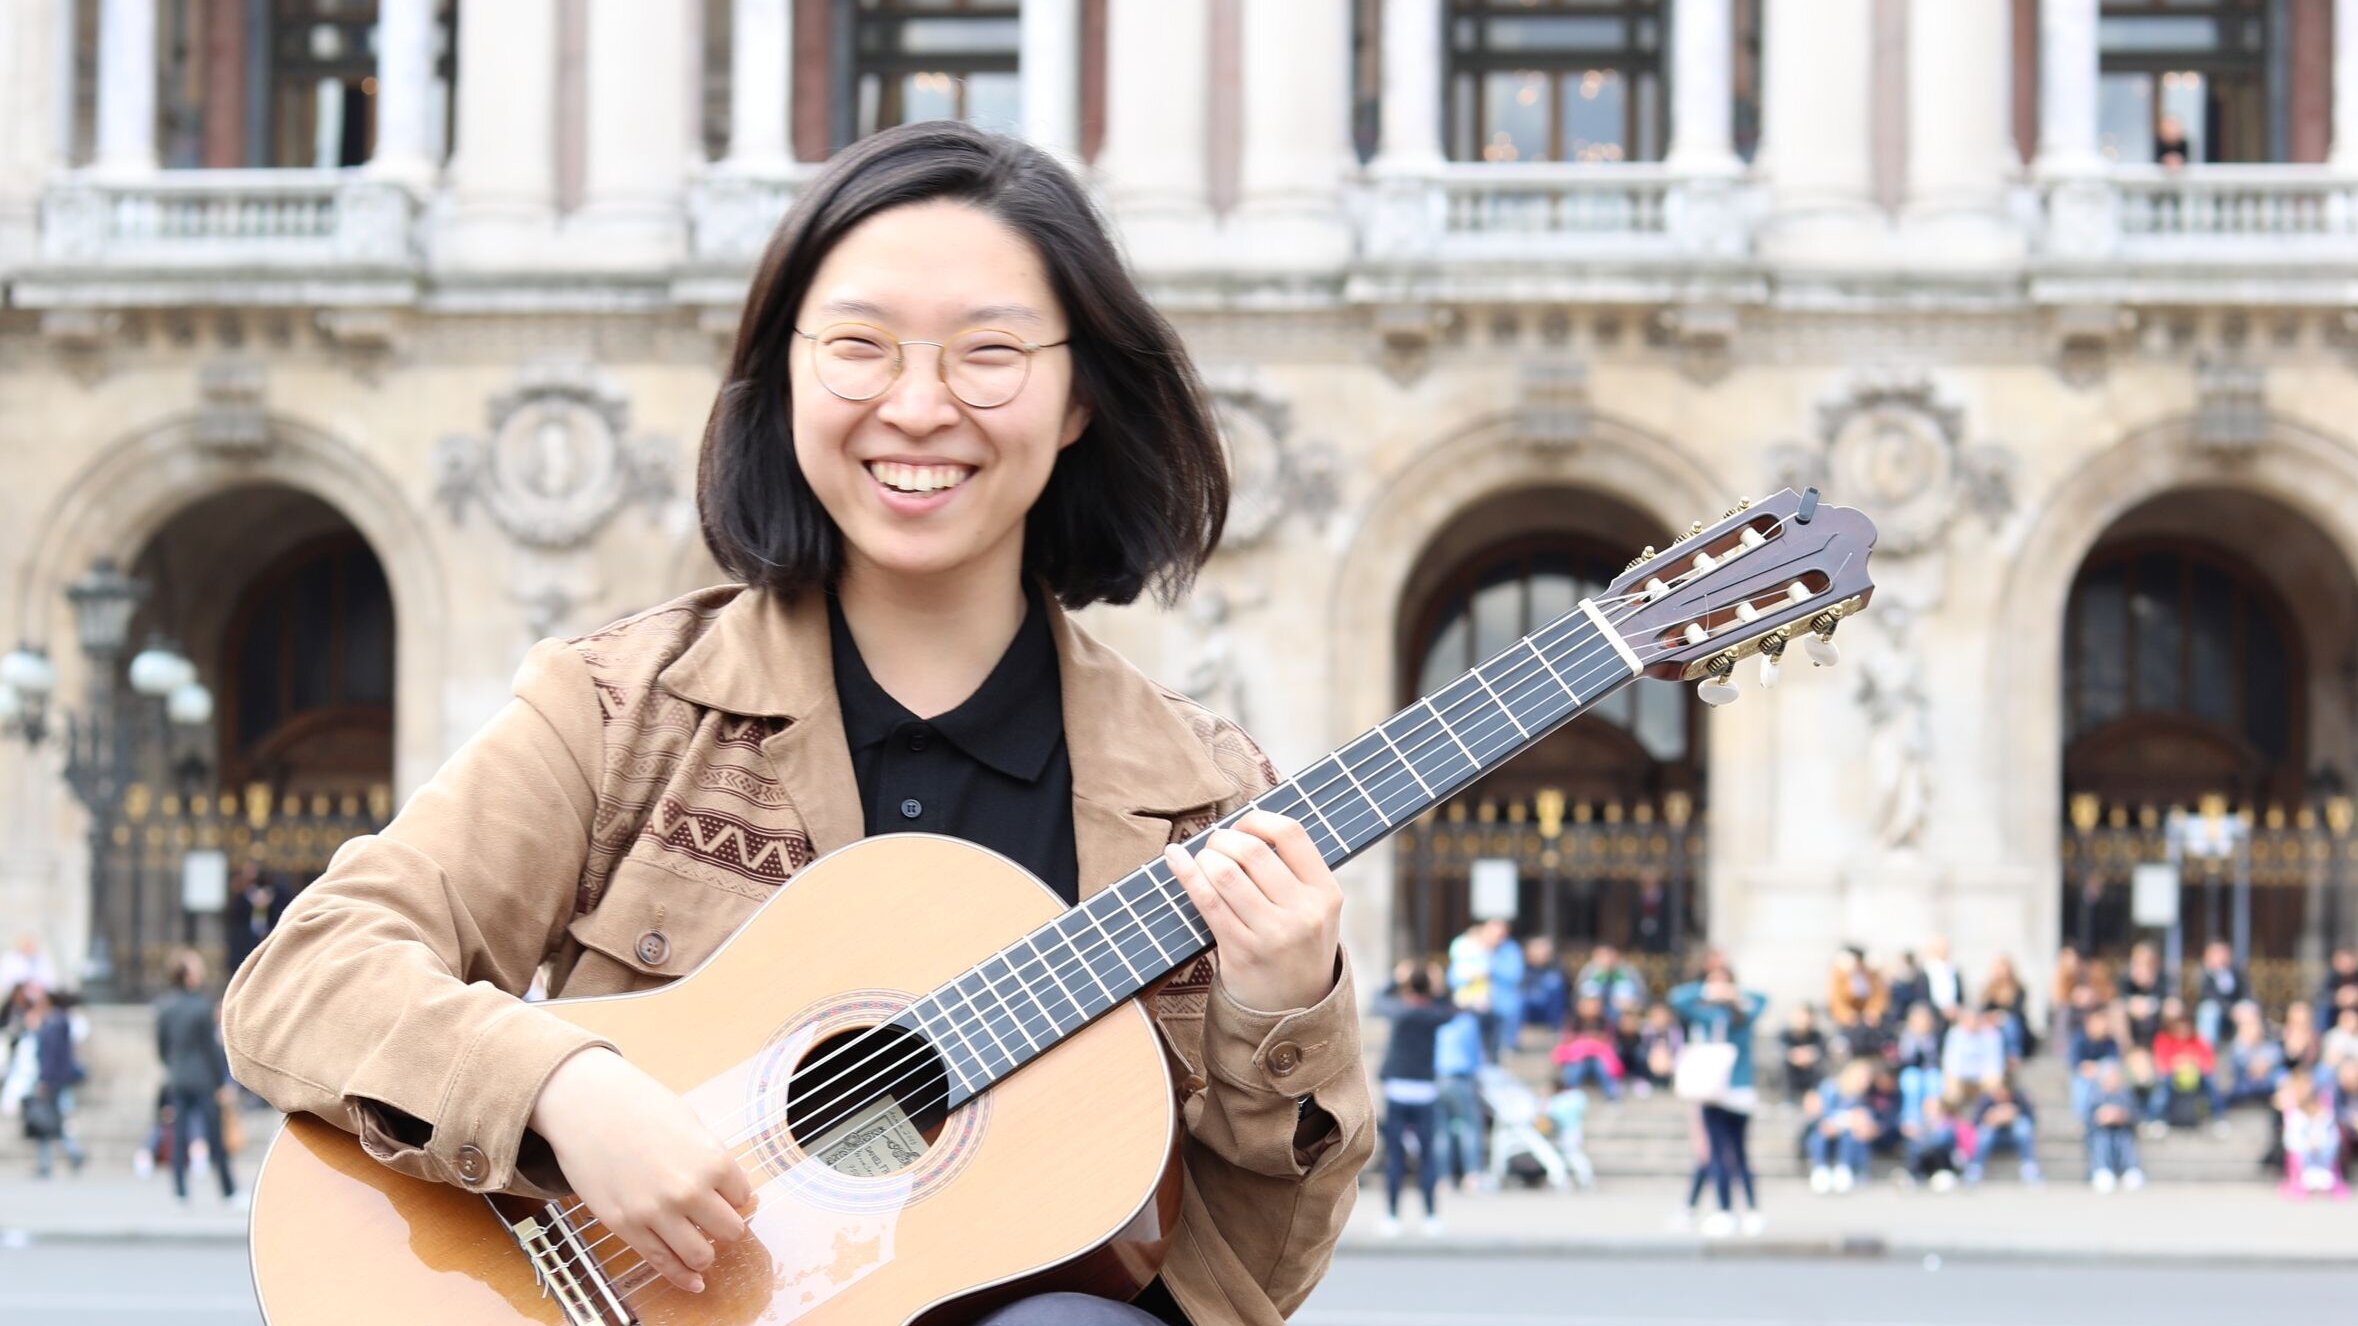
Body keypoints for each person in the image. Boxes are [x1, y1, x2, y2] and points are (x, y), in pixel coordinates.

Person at [222, 121, 1373, 1325]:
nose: (919, 408)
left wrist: (1284, 1013)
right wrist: (561, 1085)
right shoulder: (620, 711)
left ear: (1081, 396)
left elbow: (1238, 1291)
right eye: (860, 348)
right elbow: (309, 971)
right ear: (783, 374)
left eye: (990, 355)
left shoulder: (1206, 802)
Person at [1668, 952, 1767, 1238]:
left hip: (1739, 1088)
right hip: (1713, 1089)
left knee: (1738, 1152)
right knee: (1716, 1151)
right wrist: (1707, 991)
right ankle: (1724, 1210)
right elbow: (1677, 998)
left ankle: (1750, 1210)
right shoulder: (1706, 1012)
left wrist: (1733, 993)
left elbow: (1763, 999)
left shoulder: (1742, 1014)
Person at [1372, 969, 1456, 1236]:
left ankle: (1392, 1216)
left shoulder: (1401, 1011)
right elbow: (1452, 1008)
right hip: (1424, 1089)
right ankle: (1430, 1216)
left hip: (1398, 1088)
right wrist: (1440, 985)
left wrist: (1395, 979)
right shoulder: (1434, 1014)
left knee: (1395, 1157)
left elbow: (1376, 1001)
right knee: (1427, 1156)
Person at [155, 951, 240, 1204]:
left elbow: (162, 1047)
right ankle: (228, 1191)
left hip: (178, 1077)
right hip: (203, 1079)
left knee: (179, 1135)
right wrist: (220, 1082)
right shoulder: (202, 1007)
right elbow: (210, 1049)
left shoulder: (165, 1008)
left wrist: (174, 1067)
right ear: (189, 977)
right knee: (214, 1135)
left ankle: (181, 1191)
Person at [22, 985, 88, 1178]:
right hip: (57, 1078)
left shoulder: (52, 1023)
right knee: (50, 1121)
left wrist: (44, 1079)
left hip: (52, 1079)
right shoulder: (58, 1021)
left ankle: (67, 1155)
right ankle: (60, 1158)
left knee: (47, 1121)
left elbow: (50, 1055)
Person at [1806, 1060, 1876, 1194]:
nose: (1865, 1082)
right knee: (1820, 1134)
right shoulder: (1831, 1088)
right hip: (1824, 1131)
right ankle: (1820, 1170)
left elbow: (1866, 1119)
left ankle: (1844, 1169)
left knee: (1852, 1136)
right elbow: (1822, 1114)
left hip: (1847, 1135)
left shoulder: (1863, 1097)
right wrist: (1846, 1120)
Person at [1962, 1076, 2040, 1186]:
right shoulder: (1986, 1100)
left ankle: (2029, 1168)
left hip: (2013, 1137)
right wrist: (1991, 1119)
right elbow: (1974, 1124)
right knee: (1985, 1131)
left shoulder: (2019, 1099)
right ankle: (1975, 1168)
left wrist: (2014, 1116)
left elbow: (2031, 1120)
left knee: (2023, 1126)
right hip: (1992, 1138)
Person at [2279, 1075, 2347, 1200]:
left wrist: (2319, 1140)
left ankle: (2333, 1180)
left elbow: (2329, 1129)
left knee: (2331, 1146)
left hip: (2323, 1147)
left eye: (2308, 1086)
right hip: (2302, 1147)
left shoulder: (2323, 1108)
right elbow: (2292, 1135)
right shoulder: (2294, 1111)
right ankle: (2298, 1180)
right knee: (2297, 1151)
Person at [2085, 1060, 2145, 1194]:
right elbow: (2088, 1117)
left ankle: (2131, 1170)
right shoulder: (2095, 1094)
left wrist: (2123, 1116)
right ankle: (2101, 1170)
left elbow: (2136, 1114)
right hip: (2101, 1131)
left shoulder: (2126, 1094)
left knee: (2124, 1139)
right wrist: (2100, 1116)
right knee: (2102, 1139)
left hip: (2122, 1129)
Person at [1553, 994, 1625, 1100]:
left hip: (1598, 1058)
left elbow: (1609, 1041)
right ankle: (1569, 1094)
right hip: (1577, 1058)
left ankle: (1612, 1093)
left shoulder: (1604, 1022)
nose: (1591, 1007)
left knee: (1602, 1067)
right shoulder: (1572, 1021)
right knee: (1576, 1068)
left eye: (1594, 1004)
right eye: (1588, 1004)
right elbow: (1566, 1041)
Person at [1825, 946, 1888, 1057]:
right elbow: (1837, 1002)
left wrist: (1873, 1012)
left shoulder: (1870, 975)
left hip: (1868, 1018)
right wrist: (1849, 1016)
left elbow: (1878, 996)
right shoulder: (1839, 976)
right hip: (1848, 1020)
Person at [2193, 941, 2249, 1048]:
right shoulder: (2204, 973)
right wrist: (2230, 1009)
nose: (2222, 957)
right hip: (2217, 1010)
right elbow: (2209, 996)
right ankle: (2207, 1051)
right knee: (2209, 1010)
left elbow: (2246, 992)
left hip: (2235, 1009)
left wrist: (2242, 1007)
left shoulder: (2236, 972)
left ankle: (2243, 1052)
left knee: (2248, 1009)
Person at [1485, 919, 1527, 1056]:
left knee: (1502, 1048)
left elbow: (1515, 974)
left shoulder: (1511, 950)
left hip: (1504, 1004)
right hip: (1480, 1005)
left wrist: (1491, 966)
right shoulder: (1477, 947)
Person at [1941, 1006, 2008, 1087]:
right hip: (1961, 1076)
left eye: (1975, 1020)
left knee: (1995, 1082)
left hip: (1984, 1076)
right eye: (1968, 1020)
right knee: (1950, 1083)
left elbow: (1995, 1062)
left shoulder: (1992, 1034)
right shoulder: (1955, 1034)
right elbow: (1951, 1061)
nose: (1972, 1023)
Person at [1574, 943, 1648, 1015]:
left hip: (1623, 1016)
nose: (1606, 960)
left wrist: (1632, 1005)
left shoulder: (1628, 971)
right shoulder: (1588, 971)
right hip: (1595, 1019)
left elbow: (1643, 999)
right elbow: (1576, 999)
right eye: (1601, 956)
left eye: (1608, 955)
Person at [1778, 1005, 1829, 1106]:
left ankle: (1816, 1095)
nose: (1803, 1022)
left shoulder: (1817, 1036)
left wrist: (1809, 1056)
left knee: (1820, 1065)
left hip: (1810, 1071)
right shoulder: (1785, 1034)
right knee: (1784, 1064)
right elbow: (1780, 1050)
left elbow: (1821, 1051)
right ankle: (1789, 1099)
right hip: (1792, 1071)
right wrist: (1795, 1056)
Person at [1520, 936, 1569, 1036]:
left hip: (1546, 1006)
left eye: (1544, 950)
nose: (1540, 954)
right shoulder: (1520, 968)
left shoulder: (1555, 968)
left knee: (1554, 984)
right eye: (1537, 949)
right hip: (1527, 1004)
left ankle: (1555, 1028)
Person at [2121, 942, 2166, 1047]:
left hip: (2154, 1012)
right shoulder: (2126, 976)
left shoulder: (2161, 976)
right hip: (2132, 1011)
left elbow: (2165, 997)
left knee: (2172, 1009)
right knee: (2117, 1010)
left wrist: (2150, 983)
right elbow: (2120, 997)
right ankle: (2126, 1050)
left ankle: (2164, 1049)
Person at [1920, 936, 1966, 1023]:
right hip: (1932, 1018)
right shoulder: (1924, 972)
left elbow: (1960, 997)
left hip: (1953, 1017)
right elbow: (1922, 998)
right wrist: (1940, 1010)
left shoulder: (1954, 971)